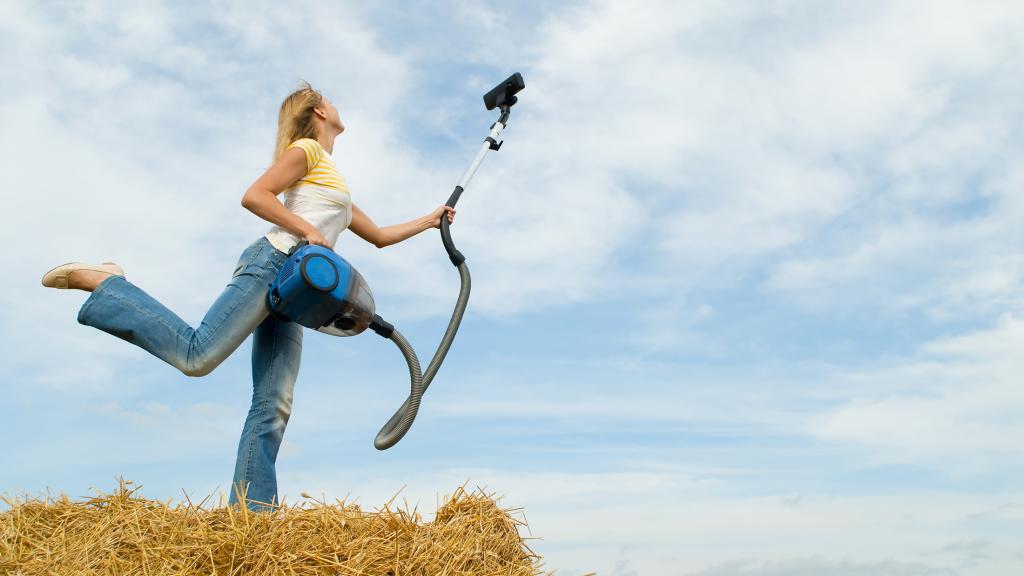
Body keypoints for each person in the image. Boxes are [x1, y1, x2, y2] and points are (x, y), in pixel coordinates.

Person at [40, 81, 455, 512]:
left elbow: (381, 237)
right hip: (273, 263)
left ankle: (251, 518)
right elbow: (255, 196)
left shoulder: (334, 179)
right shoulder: (306, 151)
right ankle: (109, 284)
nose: (337, 103)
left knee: (274, 403)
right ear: (318, 112)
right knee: (197, 356)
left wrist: (430, 220)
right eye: (329, 99)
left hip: (298, 293)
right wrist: (308, 231)